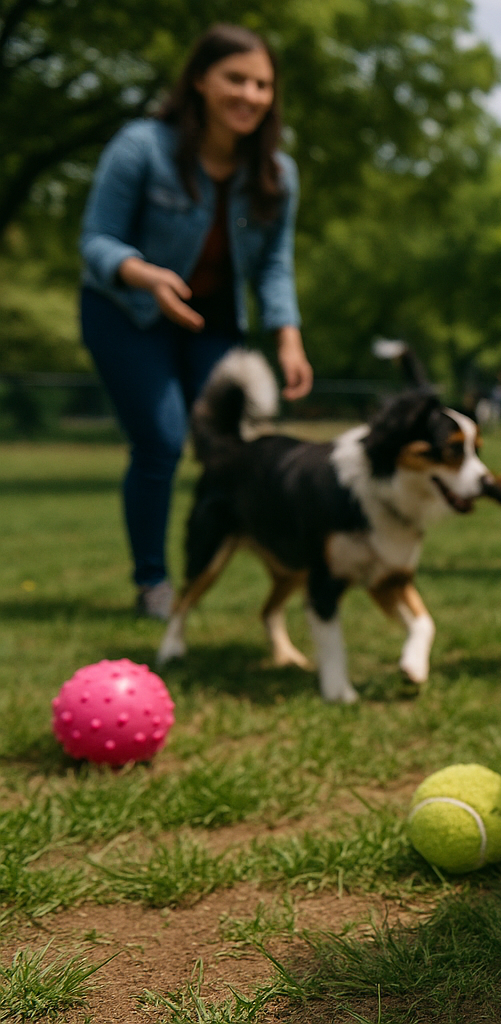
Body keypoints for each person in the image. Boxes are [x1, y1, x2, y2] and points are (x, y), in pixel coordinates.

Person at [79, 25, 312, 618]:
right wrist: (146, 276)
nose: (250, 95)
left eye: (262, 84)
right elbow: (96, 239)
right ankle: (153, 582)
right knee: (160, 440)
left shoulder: (276, 174)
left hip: (211, 323)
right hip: (127, 313)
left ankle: (239, 560)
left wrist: (289, 340)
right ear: (201, 81)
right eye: (236, 79)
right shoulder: (141, 147)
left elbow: (275, 266)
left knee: (229, 446)